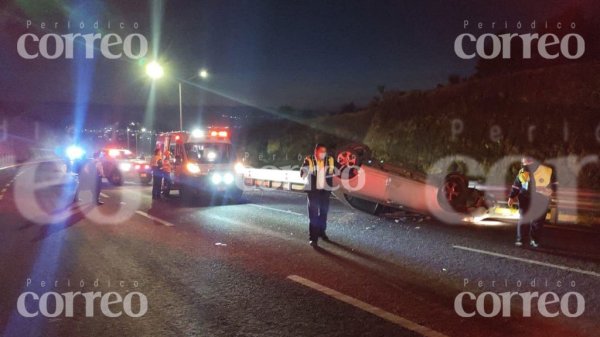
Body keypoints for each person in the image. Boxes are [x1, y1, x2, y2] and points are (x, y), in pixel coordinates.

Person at [508, 156, 557, 248]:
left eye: (527, 163)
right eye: (523, 163)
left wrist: (550, 190)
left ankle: (535, 240)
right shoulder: (522, 171)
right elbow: (516, 185)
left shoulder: (546, 171)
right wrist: (511, 196)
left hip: (541, 198)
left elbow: (555, 183)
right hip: (525, 198)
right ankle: (521, 239)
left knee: (538, 221)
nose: (524, 165)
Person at [300, 143, 339, 246]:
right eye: (321, 151)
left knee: (323, 213)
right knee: (313, 215)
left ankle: (322, 232)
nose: (323, 153)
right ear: (315, 151)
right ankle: (313, 238)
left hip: (325, 191)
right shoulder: (309, 160)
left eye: (324, 151)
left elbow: (340, 168)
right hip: (313, 191)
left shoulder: (329, 160)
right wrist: (304, 171)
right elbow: (302, 172)